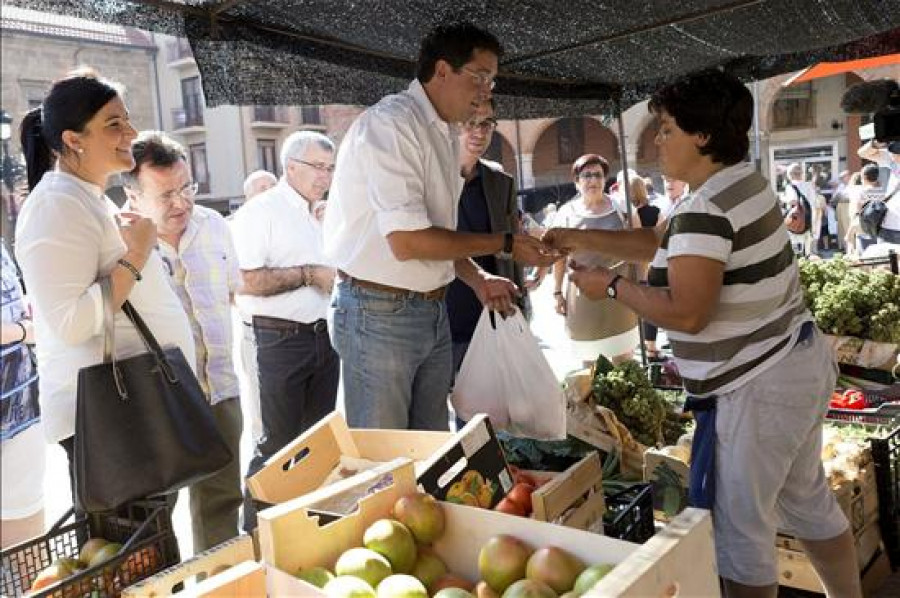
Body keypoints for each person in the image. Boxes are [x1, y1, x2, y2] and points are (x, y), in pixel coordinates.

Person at [543, 70, 860, 598]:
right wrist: (575, 235)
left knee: (741, 535)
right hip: (796, 363)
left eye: (666, 129)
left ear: (703, 136)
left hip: (756, 388)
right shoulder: (741, 182)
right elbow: (660, 242)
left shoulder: (705, 208)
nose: (657, 140)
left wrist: (612, 286)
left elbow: (687, 312)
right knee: (807, 500)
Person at [323, 22, 557, 431]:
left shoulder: (444, 131)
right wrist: (505, 243)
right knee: (386, 460)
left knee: (431, 449)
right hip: (378, 311)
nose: (487, 90)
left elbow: (435, 234)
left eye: (492, 80)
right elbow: (408, 241)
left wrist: (478, 276)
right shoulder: (392, 124)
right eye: (480, 77)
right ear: (443, 70)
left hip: (431, 307)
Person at [14, 68, 196, 513]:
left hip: (134, 411)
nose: (131, 133)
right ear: (74, 140)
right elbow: (71, 323)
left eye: (127, 120)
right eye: (114, 124)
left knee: (148, 554)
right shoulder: (56, 204)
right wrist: (136, 255)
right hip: (112, 419)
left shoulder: (85, 197)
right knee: (132, 561)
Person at [122, 131, 243, 553]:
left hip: (221, 391)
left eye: (186, 188)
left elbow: (230, 294)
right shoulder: (116, 242)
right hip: (159, 405)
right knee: (155, 518)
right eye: (166, 194)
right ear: (133, 196)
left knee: (223, 505)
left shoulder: (215, 226)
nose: (182, 203)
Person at [230, 130, 339, 529]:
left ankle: (304, 528)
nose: (325, 176)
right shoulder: (261, 212)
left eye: (330, 168)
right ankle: (254, 533)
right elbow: (245, 281)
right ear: (290, 167)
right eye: (317, 167)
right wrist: (309, 274)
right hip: (278, 340)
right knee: (277, 445)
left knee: (318, 443)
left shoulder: (319, 213)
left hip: (323, 339)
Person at [446, 98, 526, 376]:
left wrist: (521, 304)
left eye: (487, 124)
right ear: (452, 125)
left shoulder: (500, 181)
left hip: (491, 310)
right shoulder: (430, 177)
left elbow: (511, 248)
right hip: (442, 313)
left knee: (491, 410)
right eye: (470, 124)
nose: (479, 132)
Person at [551, 154, 639, 366]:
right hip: (582, 299)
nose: (593, 180)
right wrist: (556, 293)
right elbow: (558, 258)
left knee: (624, 362)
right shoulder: (565, 214)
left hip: (620, 294)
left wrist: (642, 283)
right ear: (576, 182)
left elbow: (640, 249)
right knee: (589, 366)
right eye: (586, 175)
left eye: (598, 175)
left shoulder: (623, 209)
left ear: (605, 180)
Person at [1, 238, 44, 548]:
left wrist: (20, 327)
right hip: (20, 407)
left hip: (22, 408)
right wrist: (23, 330)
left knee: (26, 551)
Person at [858, 139, 900, 245]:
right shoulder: (891, 159)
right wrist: (877, 143)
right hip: (890, 225)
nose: (895, 156)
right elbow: (862, 153)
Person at [846, 164, 883, 256]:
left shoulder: (862, 192)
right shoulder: (883, 191)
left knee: (865, 257)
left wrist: (849, 233)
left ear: (864, 177)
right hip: (882, 228)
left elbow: (857, 213)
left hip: (865, 228)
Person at [781, 162, 817, 256]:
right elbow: (814, 202)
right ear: (801, 174)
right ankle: (806, 256)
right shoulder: (809, 185)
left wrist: (782, 198)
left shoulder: (790, 187)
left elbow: (792, 201)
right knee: (807, 242)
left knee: (794, 241)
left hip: (796, 219)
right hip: (808, 217)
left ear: (790, 175)